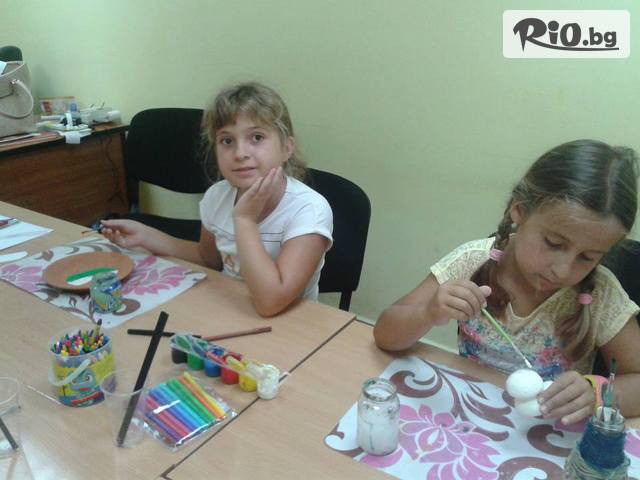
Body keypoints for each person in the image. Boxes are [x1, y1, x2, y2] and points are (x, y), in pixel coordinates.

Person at [374, 139, 640, 425]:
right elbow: (385, 335)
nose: (563, 271)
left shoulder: (601, 293)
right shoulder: (472, 261)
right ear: (519, 210)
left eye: (587, 257)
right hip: (468, 418)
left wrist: (595, 393)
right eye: (554, 243)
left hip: (549, 430)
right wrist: (428, 313)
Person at [102, 82, 333, 316]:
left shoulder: (308, 210)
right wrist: (146, 236)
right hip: (232, 307)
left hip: (290, 323)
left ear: (287, 148)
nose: (240, 153)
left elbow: (270, 302)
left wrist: (244, 221)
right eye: (227, 141)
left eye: (257, 137)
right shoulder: (217, 195)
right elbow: (208, 259)